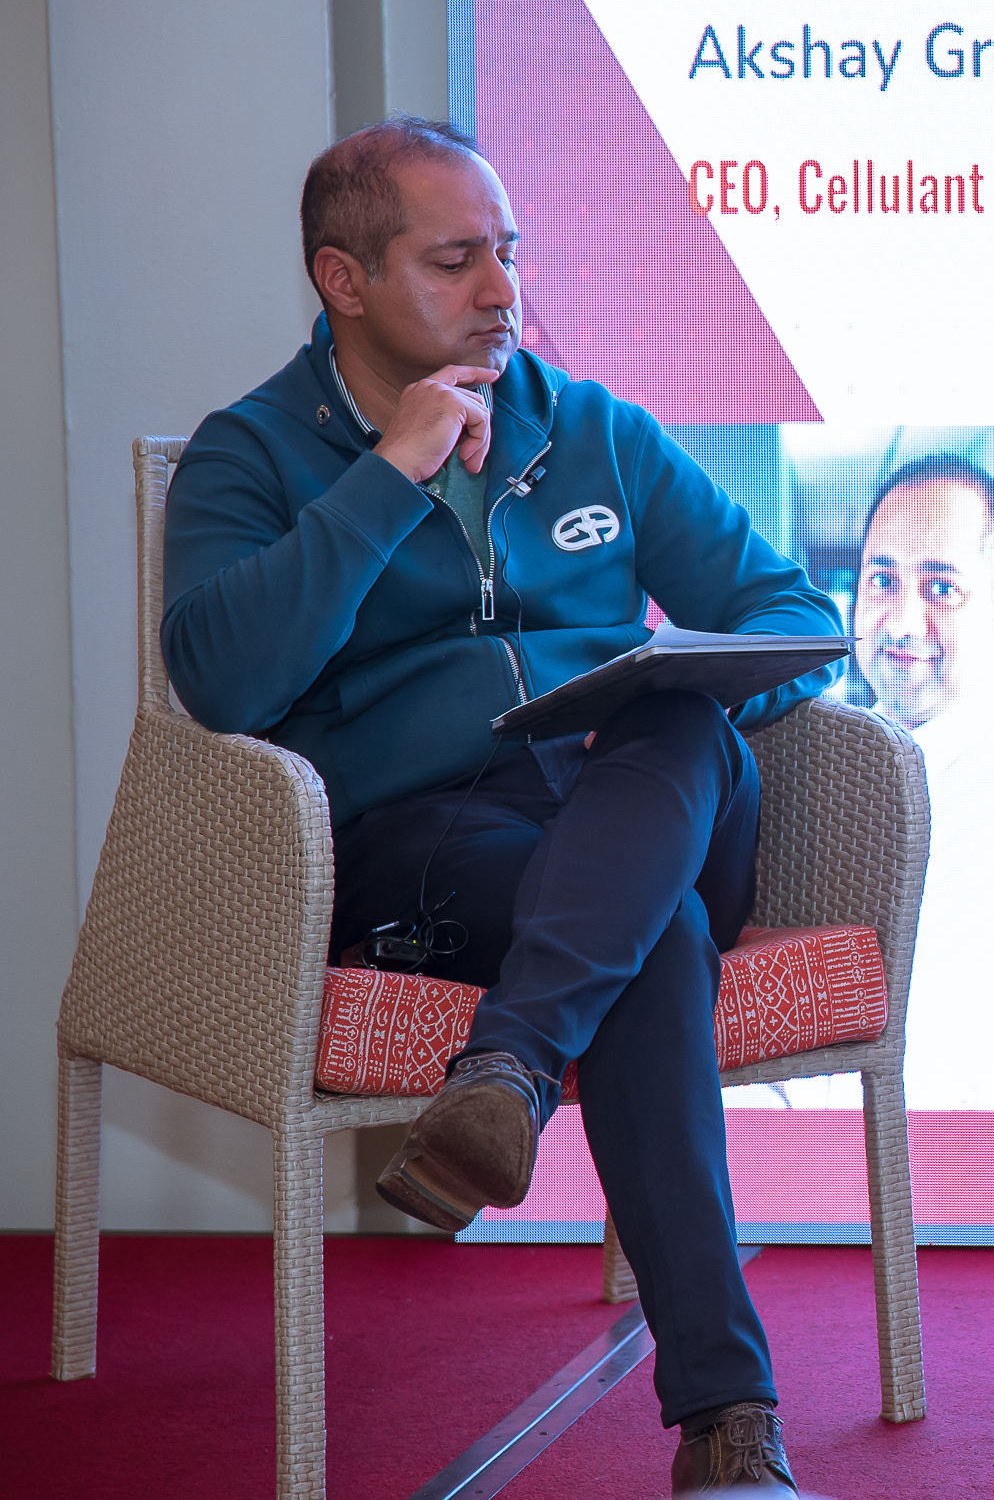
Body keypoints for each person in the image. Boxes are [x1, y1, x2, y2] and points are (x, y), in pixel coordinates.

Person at [162, 116, 844, 1495]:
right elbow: (221, 679)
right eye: (455, 259)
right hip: (435, 844)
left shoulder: (591, 428)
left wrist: (689, 690)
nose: (501, 291)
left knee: (672, 711)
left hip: (650, 800)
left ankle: (509, 1070)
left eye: (510, 253)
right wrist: (385, 477)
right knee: (651, 941)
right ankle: (729, 1422)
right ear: (344, 279)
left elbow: (793, 614)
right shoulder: (256, 454)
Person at [849, 456, 994, 1107]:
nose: (900, 621)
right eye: (882, 580)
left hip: (944, 1159)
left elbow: (932, 1068)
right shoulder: (840, 763)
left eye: (941, 589)